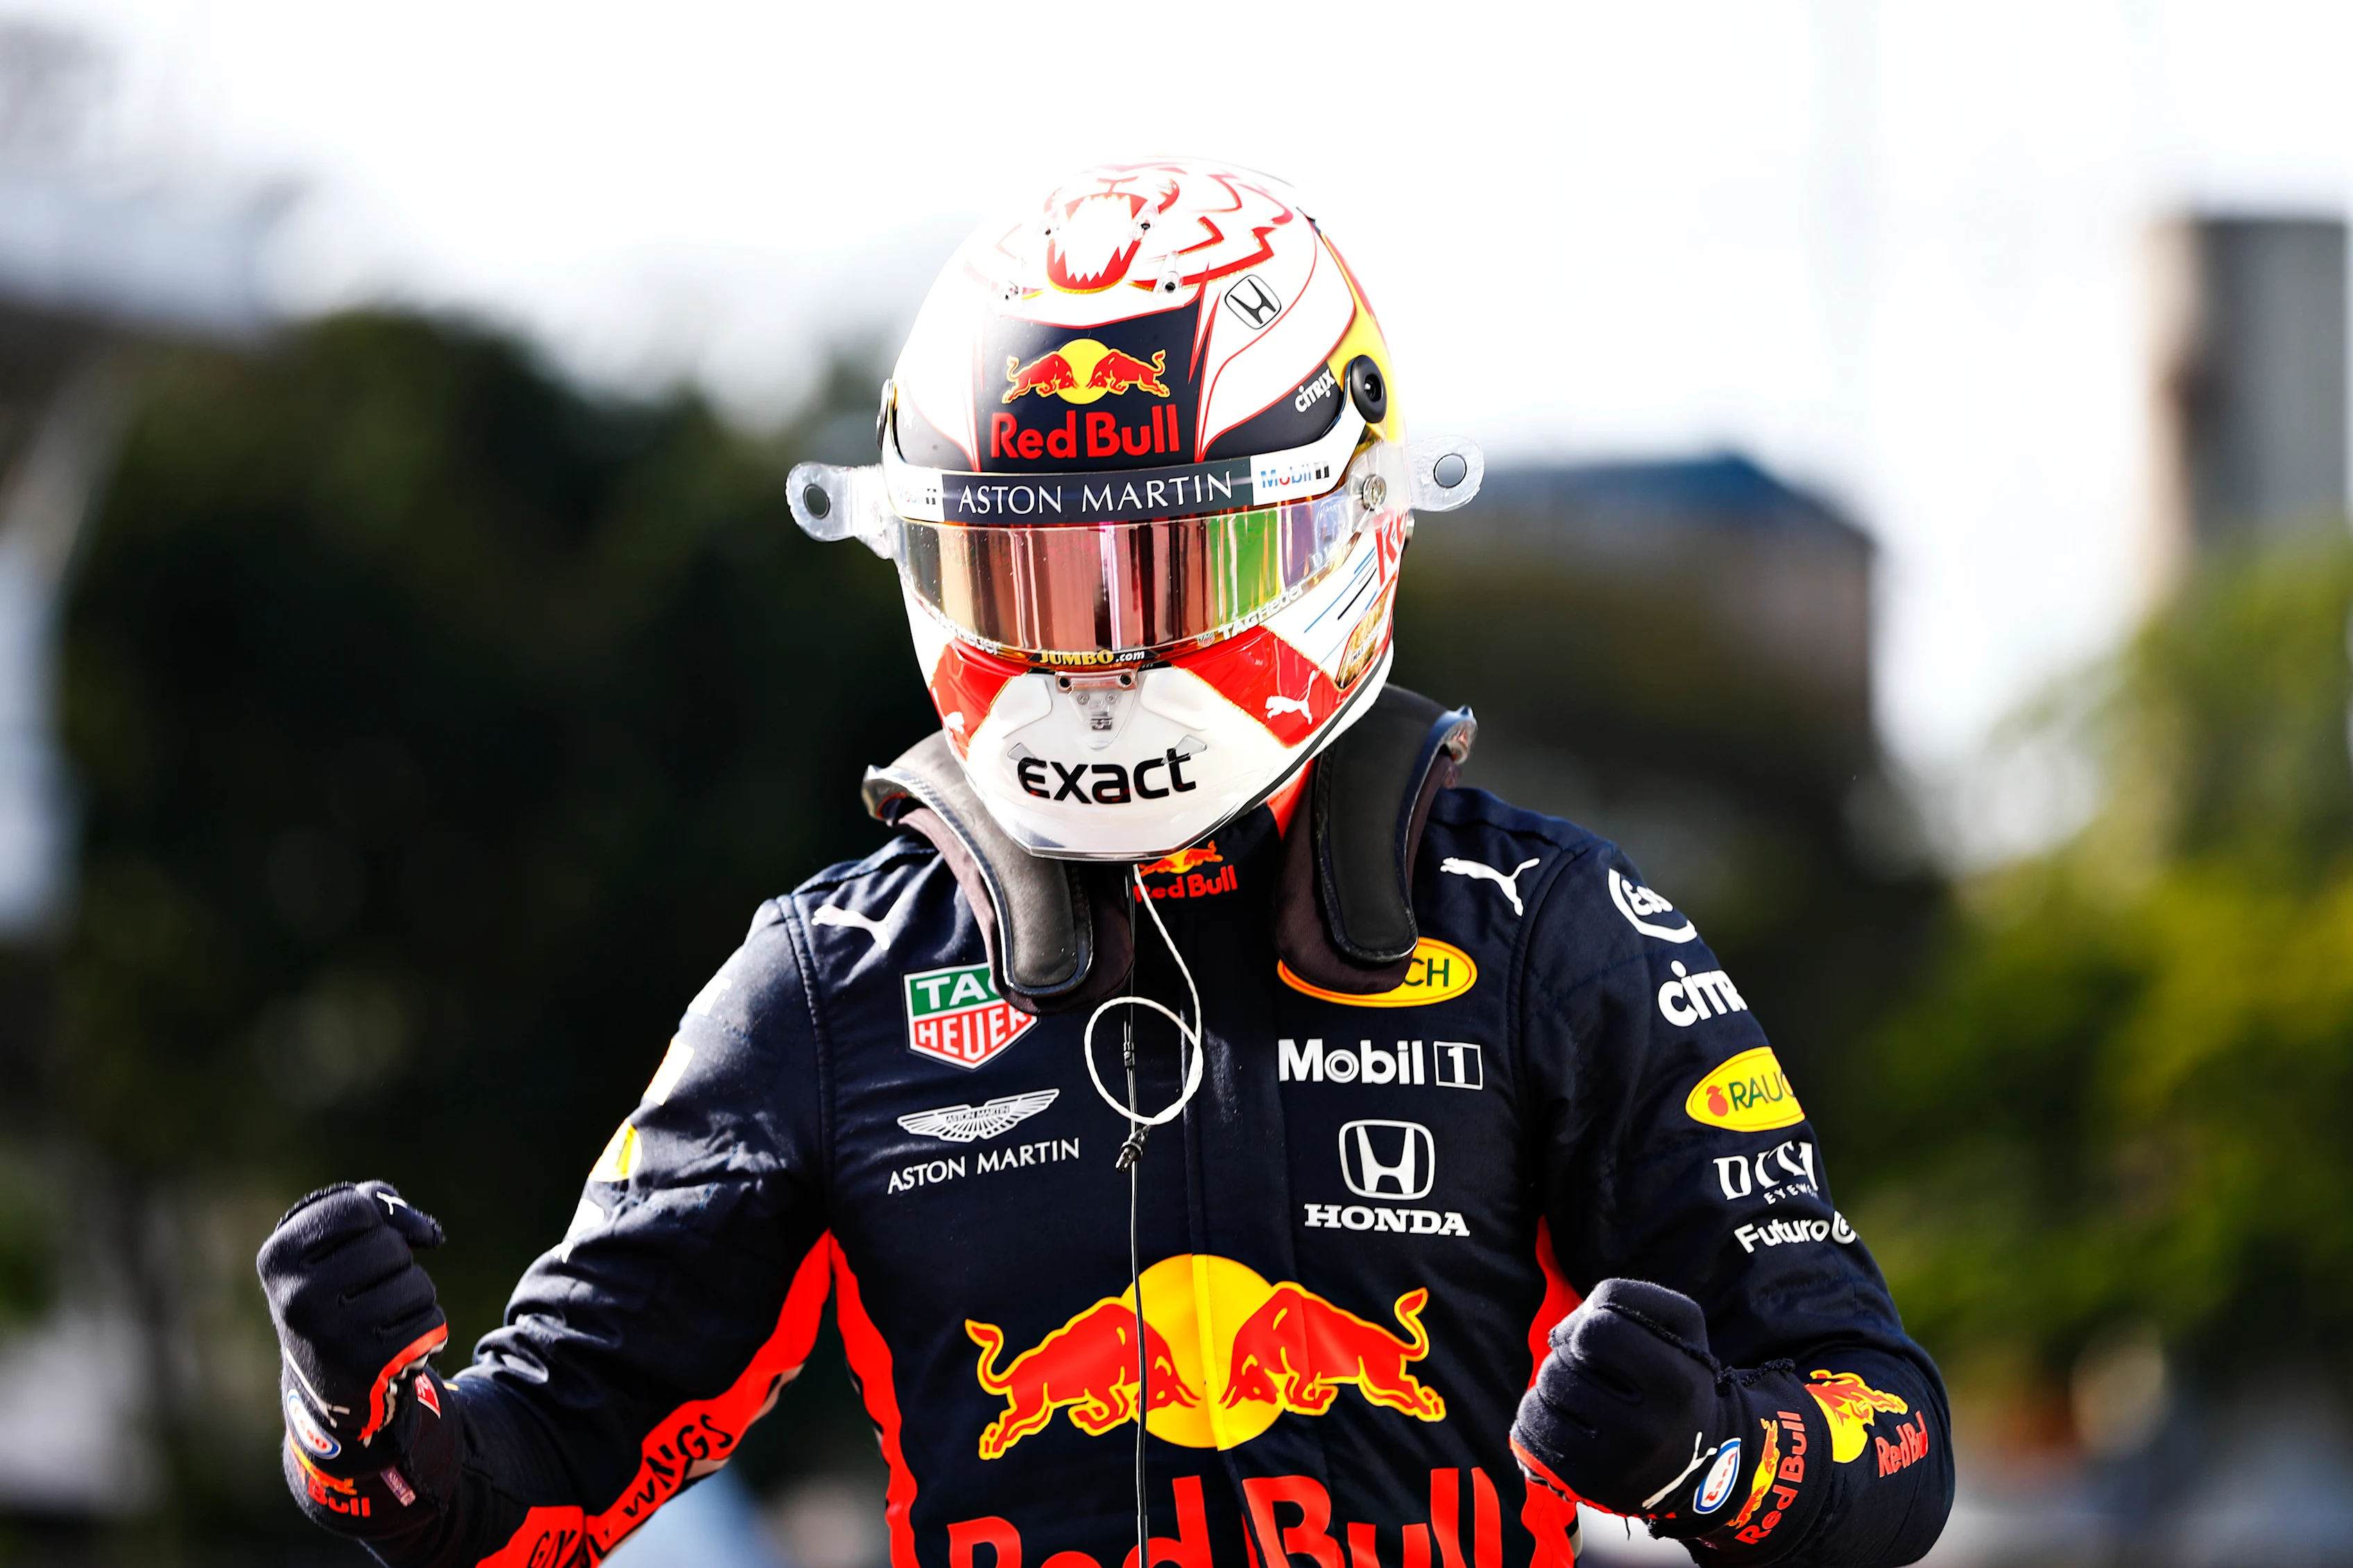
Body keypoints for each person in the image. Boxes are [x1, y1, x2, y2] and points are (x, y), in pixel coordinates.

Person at [257, 160, 1953, 1568]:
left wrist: (1714, 1455)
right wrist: (360, 1411)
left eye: (1154, 570)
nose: (1094, 649)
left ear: (1356, 524)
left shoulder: (1555, 938)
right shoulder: (826, 984)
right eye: (1032, 581)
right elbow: (513, 1476)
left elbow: (1887, 1443)